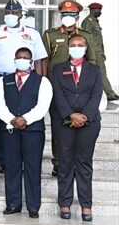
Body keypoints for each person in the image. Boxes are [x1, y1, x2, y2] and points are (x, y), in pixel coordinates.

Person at [0, 0, 48, 174]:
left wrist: (40, 84)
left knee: (26, 118)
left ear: (21, 14)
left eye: (14, 12)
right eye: (7, 13)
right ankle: (4, 160)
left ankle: (24, 159)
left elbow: (40, 61)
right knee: (1, 120)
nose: (10, 16)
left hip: (28, 80)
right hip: (2, 79)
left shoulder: (33, 34)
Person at [0, 47, 52, 219]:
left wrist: (25, 119)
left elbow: (43, 106)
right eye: (18, 57)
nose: (21, 60)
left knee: (33, 167)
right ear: (14, 59)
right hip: (10, 129)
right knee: (11, 166)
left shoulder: (42, 81)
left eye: (25, 57)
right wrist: (11, 119)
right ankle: (13, 203)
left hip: (33, 130)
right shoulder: (4, 81)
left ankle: (33, 206)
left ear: (31, 60)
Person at [51, 35, 103, 222]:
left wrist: (84, 116)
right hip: (64, 122)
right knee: (65, 163)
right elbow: (57, 94)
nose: (76, 48)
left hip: (89, 123)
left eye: (80, 45)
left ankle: (86, 205)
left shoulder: (95, 70)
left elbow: (96, 95)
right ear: (68, 47)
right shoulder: (58, 69)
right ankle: (64, 202)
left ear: (86, 47)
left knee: (84, 163)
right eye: (73, 45)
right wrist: (70, 115)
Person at [43, 0, 97, 176]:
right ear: (60, 16)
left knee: (81, 128)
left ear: (77, 16)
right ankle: (59, 163)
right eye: (65, 15)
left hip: (80, 90)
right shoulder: (50, 35)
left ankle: (77, 163)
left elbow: (92, 61)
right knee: (59, 128)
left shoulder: (86, 35)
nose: (68, 18)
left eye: (71, 15)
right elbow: (45, 61)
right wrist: (44, 84)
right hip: (57, 90)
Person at [81, 2, 118, 101]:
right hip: (93, 52)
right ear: (92, 10)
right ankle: (110, 93)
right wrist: (89, 54)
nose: (100, 12)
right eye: (98, 10)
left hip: (98, 52)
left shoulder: (94, 21)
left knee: (97, 73)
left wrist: (102, 52)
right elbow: (86, 38)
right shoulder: (88, 22)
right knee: (101, 72)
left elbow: (99, 40)